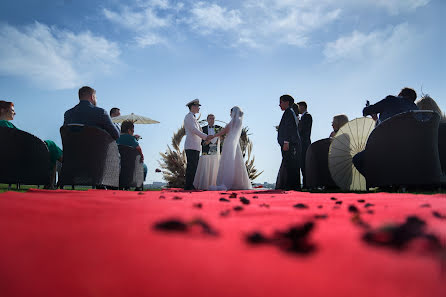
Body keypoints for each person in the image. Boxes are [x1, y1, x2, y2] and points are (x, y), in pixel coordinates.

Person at [352, 87, 419, 176]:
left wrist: (371, 109)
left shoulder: (391, 100)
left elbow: (366, 111)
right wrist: (377, 119)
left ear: (400, 95)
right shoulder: (416, 110)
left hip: (384, 149)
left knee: (357, 159)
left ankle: (379, 181)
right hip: (409, 153)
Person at [0, 100, 63, 187]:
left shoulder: (5, 127)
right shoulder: (5, 126)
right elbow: (21, 142)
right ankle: (67, 164)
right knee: (51, 145)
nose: (15, 113)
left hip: (10, 161)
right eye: (12, 110)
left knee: (51, 147)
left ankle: (65, 163)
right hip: (23, 158)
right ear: (2, 110)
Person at [209, 106, 252, 190]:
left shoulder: (232, 122)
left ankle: (227, 182)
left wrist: (213, 135)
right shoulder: (240, 121)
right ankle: (238, 182)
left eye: (230, 112)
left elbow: (223, 131)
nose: (230, 114)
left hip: (229, 142)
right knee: (237, 162)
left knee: (228, 161)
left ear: (233, 112)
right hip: (236, 144)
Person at [183, 99, 213, 190]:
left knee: (194, 166)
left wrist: (205, 139)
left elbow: (198, 131)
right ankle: (188, 186)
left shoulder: (193, 117)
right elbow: (194, 130)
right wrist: (206, 137)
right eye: (197, 106)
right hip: (191, 145)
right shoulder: (189, 117)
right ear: (192, 107)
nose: (199, 108)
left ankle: (191, 185)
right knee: (191, 166)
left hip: (196, 146)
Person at [276, 95, 301, 191]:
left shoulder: (288, 112)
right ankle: (292, 186)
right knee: (290, 165)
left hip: (289, 144)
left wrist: (286, 142)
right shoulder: (290, 112)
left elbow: (289, 128)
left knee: (290, 165)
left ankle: (291, 187)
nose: (279, 105)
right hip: (290, 144)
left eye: (281, 102)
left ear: (286, 102)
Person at [297, 101, 312, 188]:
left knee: (304, 165)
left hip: (304, 144)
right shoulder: (303, 117)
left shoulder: (307, 116)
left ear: (303, 107)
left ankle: (307, 184)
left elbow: (304, 131)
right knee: (302, 165)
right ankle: (305, 184)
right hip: (303, 144)